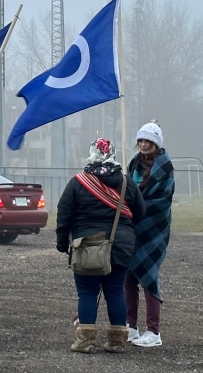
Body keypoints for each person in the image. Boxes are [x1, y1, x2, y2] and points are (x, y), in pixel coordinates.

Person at [55, 138, 146, 354]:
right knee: (115, 291)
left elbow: (64, 213)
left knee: (87, 292)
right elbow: (141, 212)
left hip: (87, 244)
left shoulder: (78, 182)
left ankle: (85, 341)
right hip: (120, 244)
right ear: (113, 154)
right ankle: (117, 341)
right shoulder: (126, 182)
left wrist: (62, 243)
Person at [125, 122, 175, 348]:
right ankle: (130, 326)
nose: (144, 145)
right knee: (128, 277)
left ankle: (153, 331)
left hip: (154, 229)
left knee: (149, 277)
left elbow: (163, 200)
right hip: (131, 226)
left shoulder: (165, 167)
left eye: (148, 141)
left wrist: (137, 208)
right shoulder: (133, 164)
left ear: (156, 143)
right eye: (141, 141)